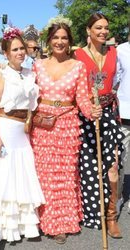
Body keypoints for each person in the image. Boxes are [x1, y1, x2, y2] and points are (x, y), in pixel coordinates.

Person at [30, 16, 102, 244]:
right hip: (41, 127)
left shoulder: (78, 66)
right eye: (56, 38)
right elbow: (26, 90)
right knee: (43, 176)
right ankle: (40, 220)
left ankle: (60, 223)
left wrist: (92, 112)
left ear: (69, 41)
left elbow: (81, 97)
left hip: (67, 127)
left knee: (64, 177)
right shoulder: (37, 65)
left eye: (64, 38)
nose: (60, 42)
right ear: (49, 40)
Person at [0, 26, 45, 242]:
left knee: (23, 173)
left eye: (22, 49)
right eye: (15, 49)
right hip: (5, 127)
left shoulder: (30, 74)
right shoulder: (1, 74)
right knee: (5, 176)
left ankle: (22, 226)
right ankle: (4, 227)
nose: (20, 52)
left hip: (23, 131)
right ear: (6, 53)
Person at [75, 13, 124, 238]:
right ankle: (93, 212)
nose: (103, 31)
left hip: (109, 114)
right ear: (88, 31)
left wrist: (112, 96)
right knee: (89, 166)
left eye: (105, 27)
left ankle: (111, 216)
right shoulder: (76, 55)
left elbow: (120, 77)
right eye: (98, 28)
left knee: (112, 166)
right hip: (86, 115)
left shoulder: (116, 52)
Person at [114, 30, 130, 214]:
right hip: (124, 112)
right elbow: (114, 78)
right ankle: (116, 198)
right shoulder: (121, 50)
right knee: (119, 158)